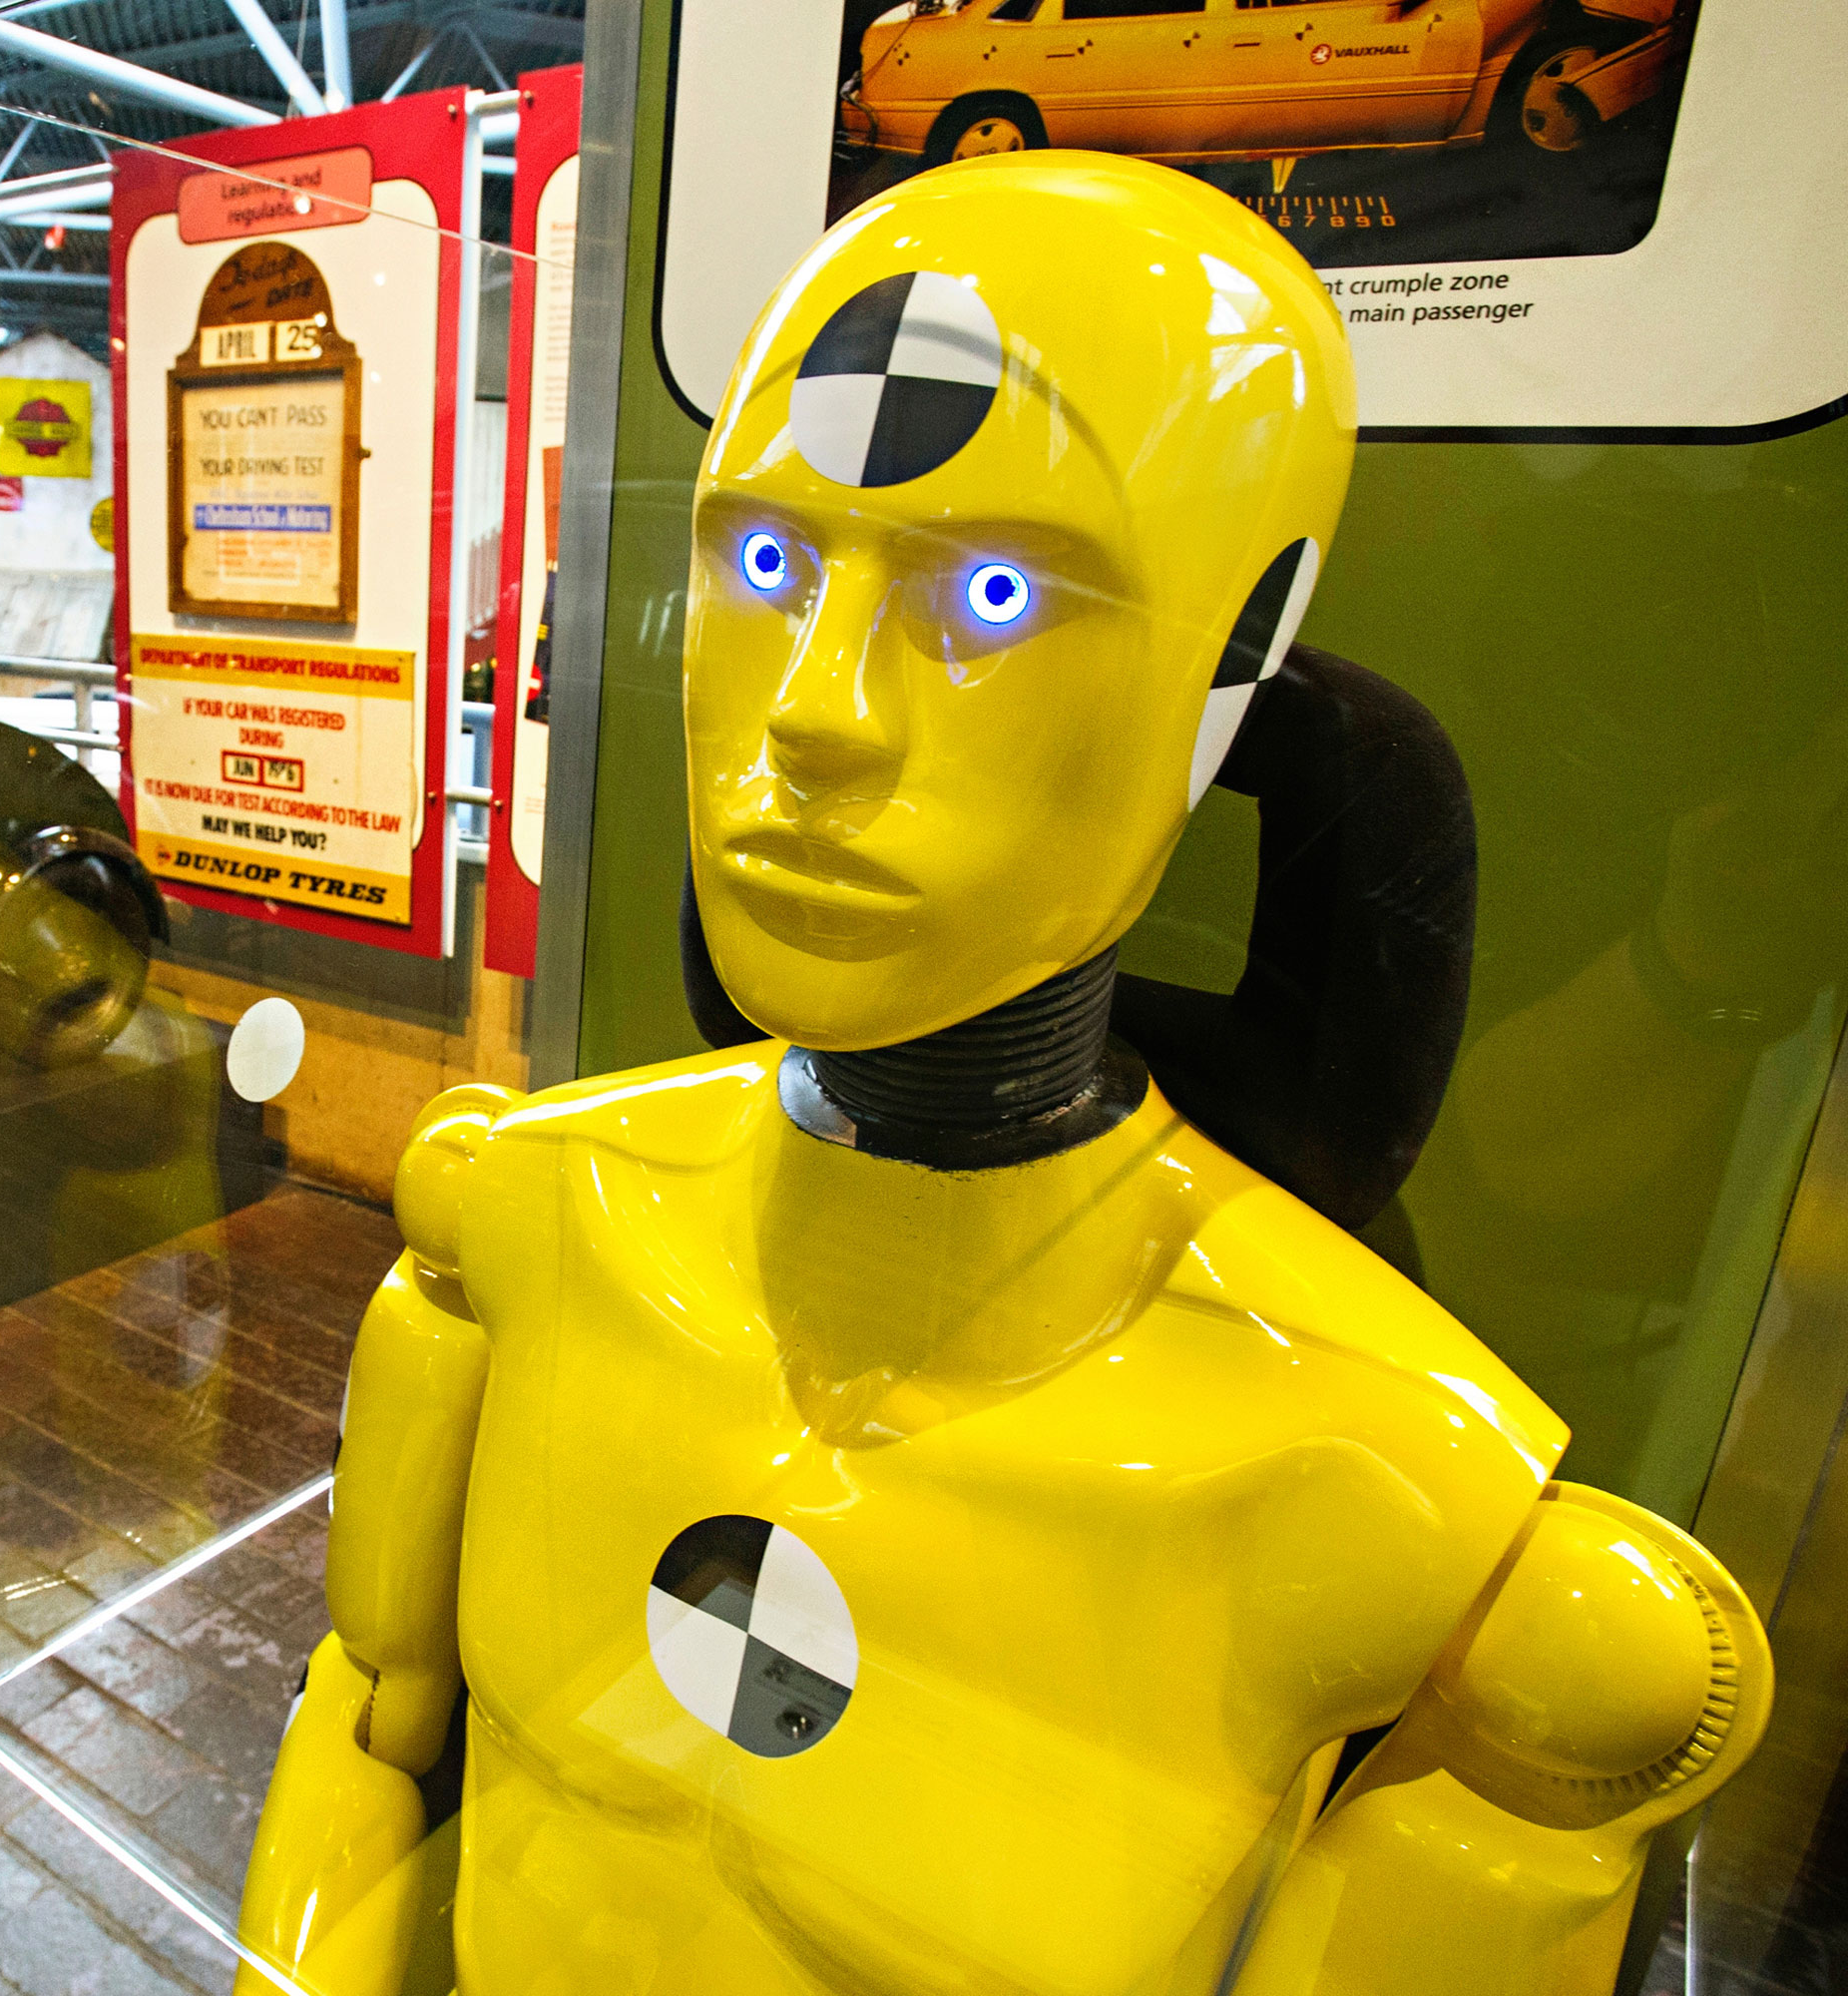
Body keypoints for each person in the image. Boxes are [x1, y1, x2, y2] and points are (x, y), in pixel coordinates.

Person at [230, 152, 1768, 1996]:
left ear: (1233, 672)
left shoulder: (1425, 1539)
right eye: (770, 560)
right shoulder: (514, 1222)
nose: (814, 705)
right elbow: (369, 1740)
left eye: (996, 600)